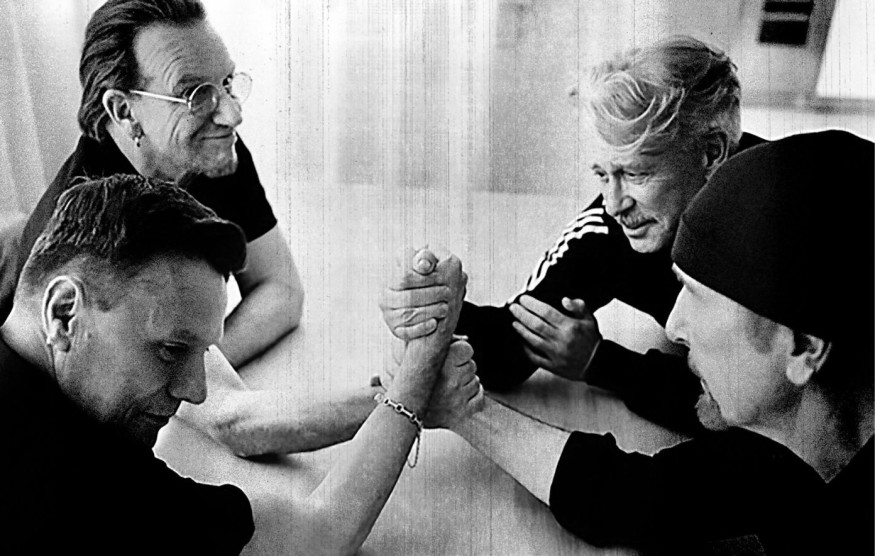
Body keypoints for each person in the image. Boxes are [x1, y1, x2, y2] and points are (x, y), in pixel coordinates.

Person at [399, 130, 874, 554]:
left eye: (699, 296)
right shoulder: (798, 433)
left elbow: (630, 497)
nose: (674, 326)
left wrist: (465, 409)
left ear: (803, 347)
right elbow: (638, 497)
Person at [0, 173, 482, 554]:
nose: (196, 391)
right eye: (170, 349)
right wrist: (422, 361)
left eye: (203, 352)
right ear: (63, 313)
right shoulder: (83, 485)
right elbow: (319, 535)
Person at [4, 0, 390, 456]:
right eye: (194, 94)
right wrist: (404, 396)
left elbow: (282, 290)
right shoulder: (98, 229)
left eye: (226, 84)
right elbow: (236, 424)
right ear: (124, 110)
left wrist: (193, 351)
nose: (231, 114)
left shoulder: (206, 148)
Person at [381, 36, 765, 434]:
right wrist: (435, 309)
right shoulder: (610, 231)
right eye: (603, 175)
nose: (614, 204)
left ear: (711, 153)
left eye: (635, 173)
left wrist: (601, 362)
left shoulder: (782, 224)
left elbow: (756, 414)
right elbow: (511, 349)